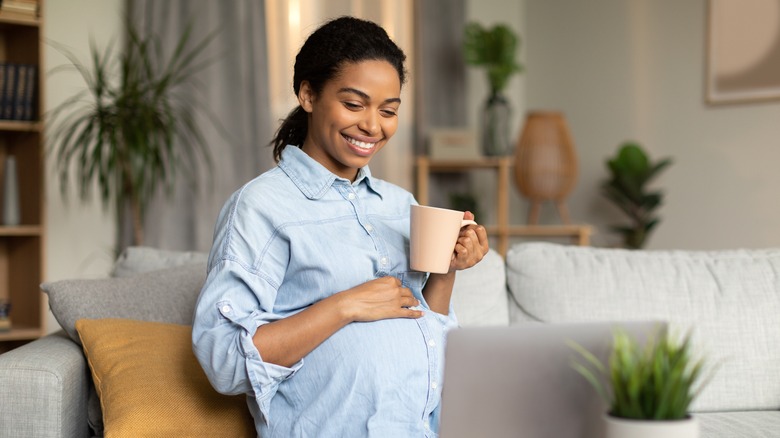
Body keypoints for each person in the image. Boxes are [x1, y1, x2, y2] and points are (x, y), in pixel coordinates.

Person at [192, 16, 489, 437]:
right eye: (354, 104)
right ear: (308, 94)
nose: (373, 125)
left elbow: (427, 329)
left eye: (389, 111)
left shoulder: (399, 204)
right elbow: (223, 361)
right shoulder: (260, 207)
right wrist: (344, 306)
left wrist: (447, 270)